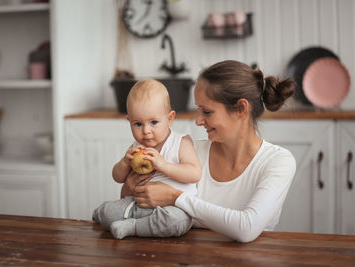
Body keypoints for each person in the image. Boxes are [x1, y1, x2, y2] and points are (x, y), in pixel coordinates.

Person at [121, 60, 297, 243]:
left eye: (207, 112)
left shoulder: (278, 161)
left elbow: (246, 227)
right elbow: (136, 203)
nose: (198, 120)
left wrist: (176, 198)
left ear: (241, 109)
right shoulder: (188, 153)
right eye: (199, 110)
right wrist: (130, 187)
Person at [92, 78, 202, 239]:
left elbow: (194, 173)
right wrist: (124, 162)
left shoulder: (181, 142)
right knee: (107, 212)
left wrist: (163, 164)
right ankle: (105, 215)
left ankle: (133, 227)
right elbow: (117, 177)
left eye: (154, 122)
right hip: (137, 204)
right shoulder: (136, 148)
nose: (146, 131)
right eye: (138, 124)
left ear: (170, 118)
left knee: (176, 222)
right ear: (129, 122)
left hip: (171, 209)